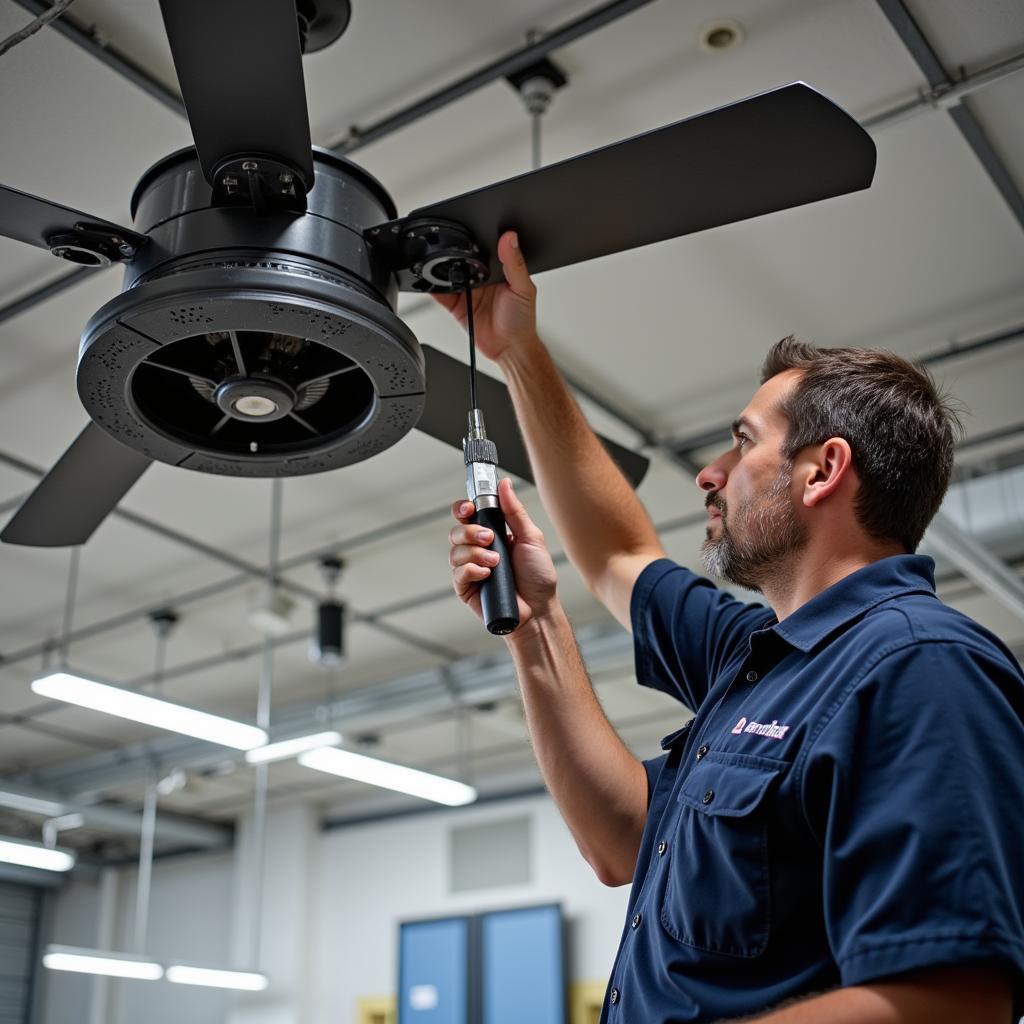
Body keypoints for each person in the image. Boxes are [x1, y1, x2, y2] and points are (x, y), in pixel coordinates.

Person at [441, 231, 1024, 1023]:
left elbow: (949, 1003)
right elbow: (620, 841)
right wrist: (517, 354)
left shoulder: (920, 668)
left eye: (744, 441)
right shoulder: (752, 659)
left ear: (823, 471)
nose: (709, 473)